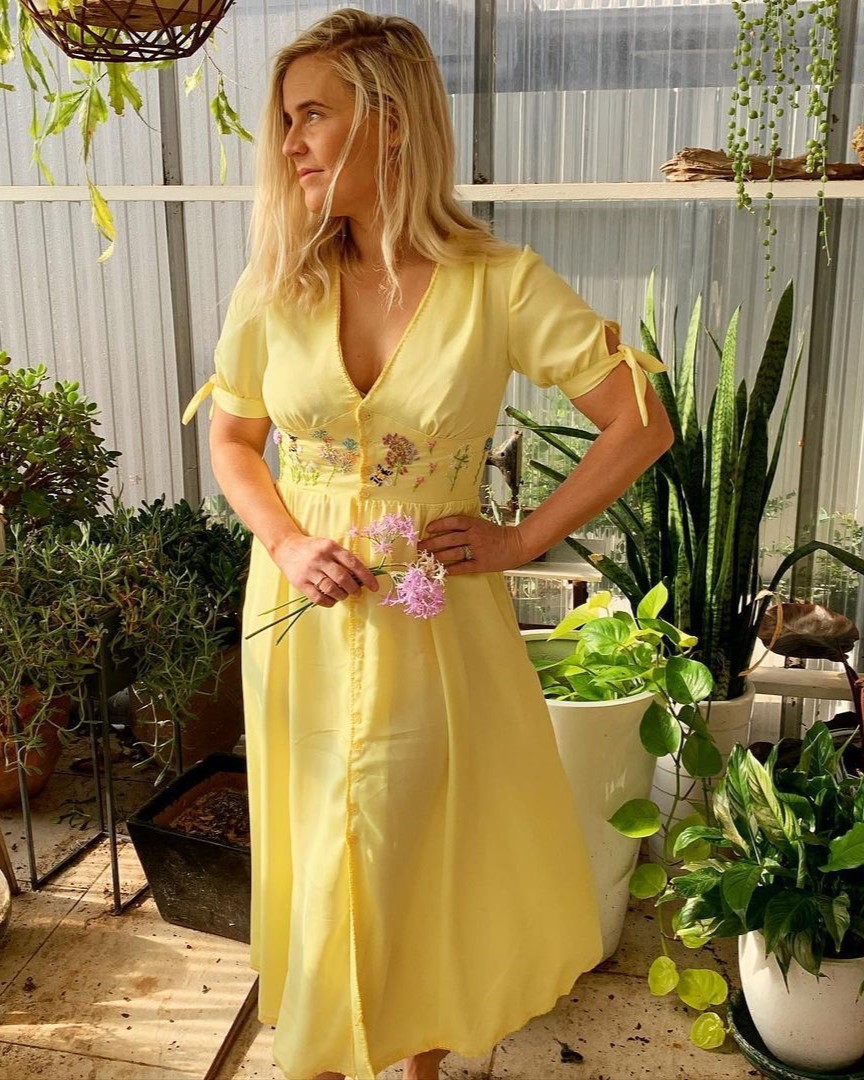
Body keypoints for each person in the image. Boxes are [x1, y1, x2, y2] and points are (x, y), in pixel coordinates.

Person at [182, 9, 674, 1080]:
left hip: (436, 628)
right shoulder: (276, 283)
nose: (291, 142)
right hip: (300, 618)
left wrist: (524, 538)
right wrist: (287, 540)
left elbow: (641, 420)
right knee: (321, 843)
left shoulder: (501, 281)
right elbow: (231, 438)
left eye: (314, 114)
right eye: (286, 120)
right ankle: (319, 1056)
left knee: (420, 845)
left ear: (391, 120)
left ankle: (421, 1065)